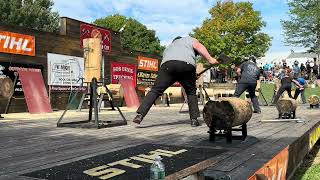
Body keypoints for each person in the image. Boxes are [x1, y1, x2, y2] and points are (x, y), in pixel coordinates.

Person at [133, 36, 219, 127]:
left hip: (167, 66)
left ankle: (140, 115)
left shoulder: (169, 47)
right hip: (187, 65)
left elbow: (175, 65)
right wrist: (210, 59)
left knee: (155, 90)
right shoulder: (188, 39)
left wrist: (193, 76)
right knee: (190, 92)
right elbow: (198, 46)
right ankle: (194, 120)